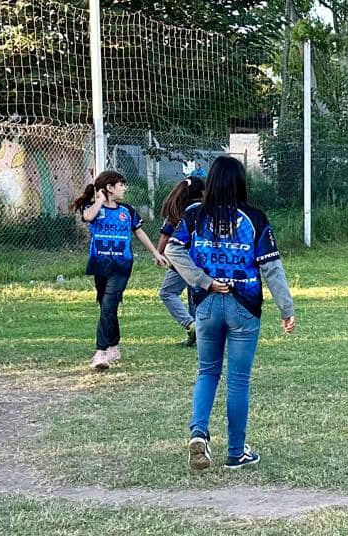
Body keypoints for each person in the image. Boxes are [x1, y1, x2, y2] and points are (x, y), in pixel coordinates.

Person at [166, 156, 295, 472]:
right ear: (240, 182)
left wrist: (204, 281)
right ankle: (236, 452)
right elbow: (272, 268)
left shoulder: (194, 215)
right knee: (238, 380)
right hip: (244, 307)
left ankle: (199, 433)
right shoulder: (254, 218)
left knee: (207, 372)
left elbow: (172, 249)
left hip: (206, 306)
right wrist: (286, 309)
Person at [74, 170, 167, 371]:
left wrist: (155, 253)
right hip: (100, 264)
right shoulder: (92, 208)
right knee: (107, 304)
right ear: (109, 188)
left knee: (109, 303)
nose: (124, 188)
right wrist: (99, 201)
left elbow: (139, 232)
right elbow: (88, 217)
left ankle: (101, 352)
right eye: (121, 185)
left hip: (122, 265)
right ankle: (114, 345)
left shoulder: (128, 211)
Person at [154, 175, 205, 348]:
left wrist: (158, 254)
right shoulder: (207, 209)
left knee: (167, 292)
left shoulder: (177, 210)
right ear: (202, 192)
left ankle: (192, 326)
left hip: (182, 258)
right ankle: (198, 333)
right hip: (203, 257)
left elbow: (165, 235)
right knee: (195, 295)